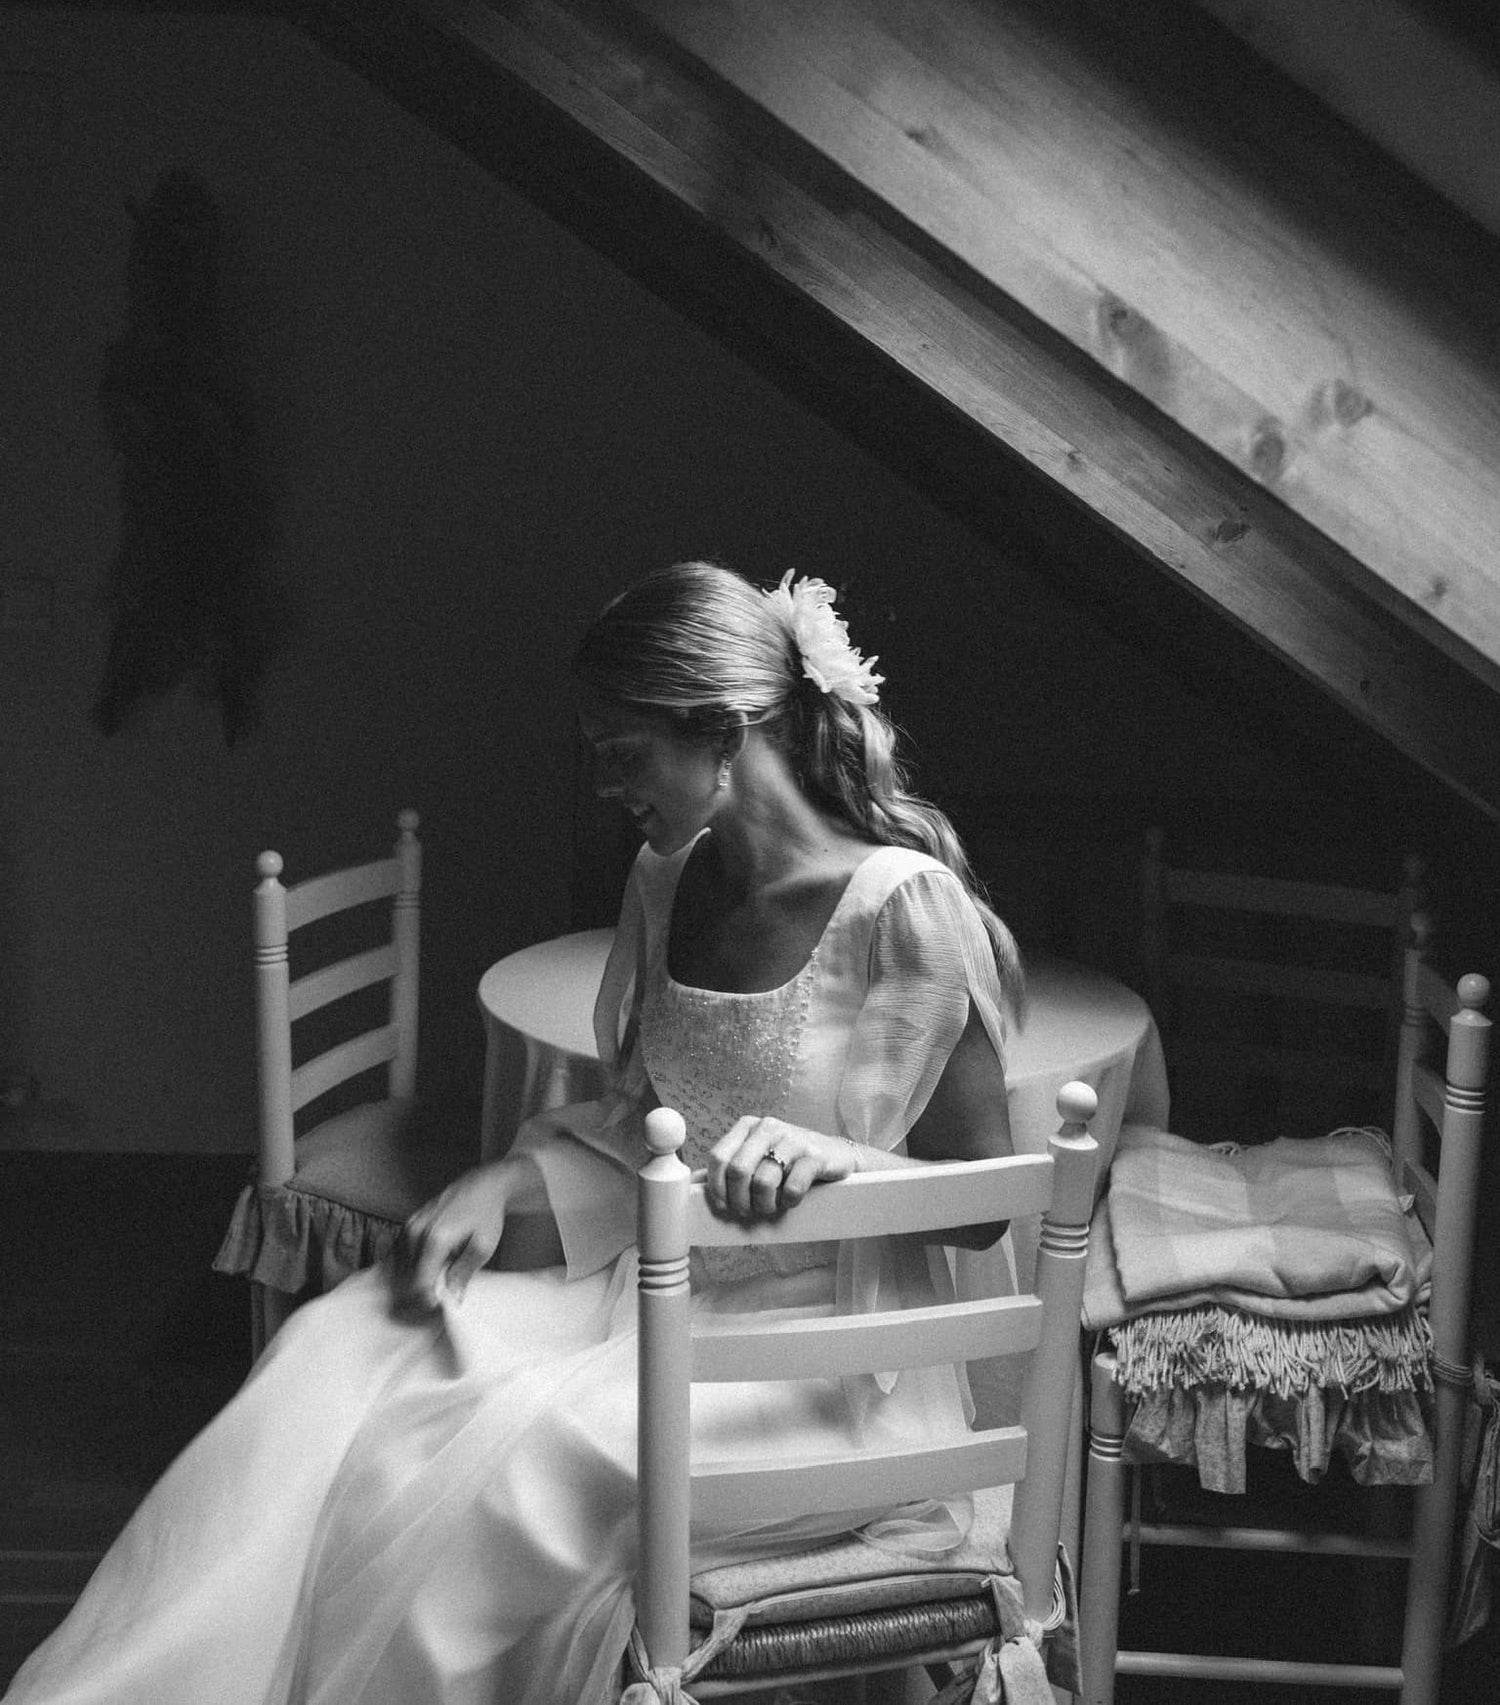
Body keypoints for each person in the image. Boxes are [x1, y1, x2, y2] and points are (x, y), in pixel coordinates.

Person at [7, 561, 1024, 1705]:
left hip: (823, 1368)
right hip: (656, 1292)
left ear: (727, 730)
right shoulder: (665, 881)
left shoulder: (901, 907)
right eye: (593, 749)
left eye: (624, 750)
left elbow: (991, 1194)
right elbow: (648, 1124)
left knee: (502, 1469)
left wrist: (845, 1161)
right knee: (340, 1352)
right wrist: (506, 1180)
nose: (601, 784)